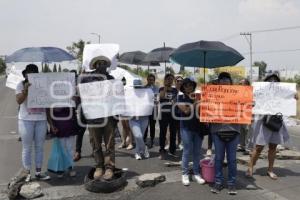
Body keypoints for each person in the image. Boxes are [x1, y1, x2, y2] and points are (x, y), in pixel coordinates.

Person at [79, 45, 119, 180]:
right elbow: (80, 94)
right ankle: (99, 166)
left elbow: (117, 98)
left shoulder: (111, 79)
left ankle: (109, 168)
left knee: (109, 144)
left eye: (104, 64)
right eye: (99, 63)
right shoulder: (86, 79)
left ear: (107, 66)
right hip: (93, 117)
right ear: (95, 65)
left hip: (108, 116)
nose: (102, 65)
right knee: (95, 144)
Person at [246, 73, 295, 180]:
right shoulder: (260, 92)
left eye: (275, 81)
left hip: (277, 122)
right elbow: (252, 104)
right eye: (270, 80)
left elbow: (291, 101)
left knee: (273, 147)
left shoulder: (282, 94)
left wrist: (293, 96)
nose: (273, 82)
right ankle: (250, 168)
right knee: (258, 147)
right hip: (263, 122)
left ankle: (270, 170)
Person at [16, 64, 50, 182]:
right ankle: (27, 173)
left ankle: (39, 172)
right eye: (29, 73)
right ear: (25, 74)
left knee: (40, 147)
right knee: (27, 147)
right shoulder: (20, 84)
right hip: (26, 120)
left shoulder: (43, 84)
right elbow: (19, 101)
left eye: (34, 72)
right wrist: (25, 90)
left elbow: (48, 101)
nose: (31, 75)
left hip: (41, 119)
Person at [210, 72, 240, 195]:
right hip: (217, 131)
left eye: (227, 78)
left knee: (232, 159)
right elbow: (206, 109)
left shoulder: (239, 94)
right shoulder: (212, 94)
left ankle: (232, 184)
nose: (224, 81)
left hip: (234, 130)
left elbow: (247, 106)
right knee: (218, 158)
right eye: (221, 79)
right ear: (218, 81)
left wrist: (250, 105)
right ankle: (218, 182)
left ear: (230, 81)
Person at [177, 77, 205, 186]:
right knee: (187, 151)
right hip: (186, 128)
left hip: (198, 128)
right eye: (186, 85)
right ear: (183, 87)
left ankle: (197, 173)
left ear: (194, 86)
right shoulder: (180, 98)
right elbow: (186, 111)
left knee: (197, 152)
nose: (189, 87)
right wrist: (196, 102)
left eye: (191, 85)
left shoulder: (199, 96)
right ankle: (184, 173)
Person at [48, 107, 78, 177]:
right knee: (60, 149)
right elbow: (48, 111)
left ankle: (71, 167)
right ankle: (60, 169)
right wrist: (52, 125)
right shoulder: (51, 97)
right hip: (57, 125)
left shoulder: (69, 96)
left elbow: (74, 106)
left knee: (70, 148)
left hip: (69, 125)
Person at [129, 79, 151, 160]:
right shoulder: (129, 94)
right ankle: (144, 148)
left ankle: (137, 153)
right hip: (133, 118)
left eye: (139, 87)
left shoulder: (145, 94)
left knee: (140, 136)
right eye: (136, 87)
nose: (137, 88)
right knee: (138, 135)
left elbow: (151, 103)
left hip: (144, 118)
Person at [158, 74, 178, 159]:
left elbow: (176, 100)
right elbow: (161, 97)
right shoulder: (161, 89)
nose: (169, 80)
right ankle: (162, 149)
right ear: (165, 80)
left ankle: (172, 150)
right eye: (168, 79)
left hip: (173, 114)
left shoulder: (175, 90)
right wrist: (165, 87)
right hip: (163, 114)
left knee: (173, 133)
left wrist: (175, 101)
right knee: (163, 132)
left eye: (171, 79)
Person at [144, 74, 159, 148]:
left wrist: (155, 100)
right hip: (145, 109)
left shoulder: (156, 88)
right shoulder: (144, 88)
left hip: (154, 109)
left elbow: (156, 99)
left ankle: (152, 140)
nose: (151, 81)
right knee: (145, 125)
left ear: (154, 80)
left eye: (152, 80)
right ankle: (144, 140)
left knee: (152, 125)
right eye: (149, 79)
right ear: (147, 80)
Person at [118, 77, 134, 150]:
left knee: (128, 127)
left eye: (124, 81)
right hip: (121, 109)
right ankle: (124, 142)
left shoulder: (128, 88)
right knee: (123, 126)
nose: (123, 82)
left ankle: (130, 143)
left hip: (128, 109)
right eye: (121, 81)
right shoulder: (118, 89)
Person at [238, 78, 251, 154]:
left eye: (241, 83)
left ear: (247, 84)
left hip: (248, 114)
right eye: (239, 84)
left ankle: (248, 148)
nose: (239, 85)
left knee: (247, 131)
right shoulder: (237, 92)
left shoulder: (250, 92)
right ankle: (241, 146)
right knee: (241, 131)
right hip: (239, 114)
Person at [174, 76, 183, 150]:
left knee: (180, 129)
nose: (179, 82)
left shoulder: (184, 90)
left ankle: (179, 143)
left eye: (181, 81)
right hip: (173, 112)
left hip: (181, 112)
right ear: (175, 82)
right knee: (172, 129)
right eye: (178, 81)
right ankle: (170, 143)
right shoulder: (172, 90)